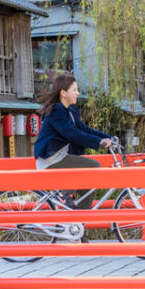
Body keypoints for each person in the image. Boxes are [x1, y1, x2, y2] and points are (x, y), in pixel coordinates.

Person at [33, 73, 113, 217]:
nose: (78, 93)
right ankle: (63, 193)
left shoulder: (71, 111)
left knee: (88, 186)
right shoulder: (56, 111)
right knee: (93, 166)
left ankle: (79, 223)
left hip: (60, 157)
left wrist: (108, 138)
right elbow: (72, 134)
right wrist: (98, 142)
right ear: (63, 93)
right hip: (51, 159)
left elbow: (83, 129)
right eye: (74, 90)